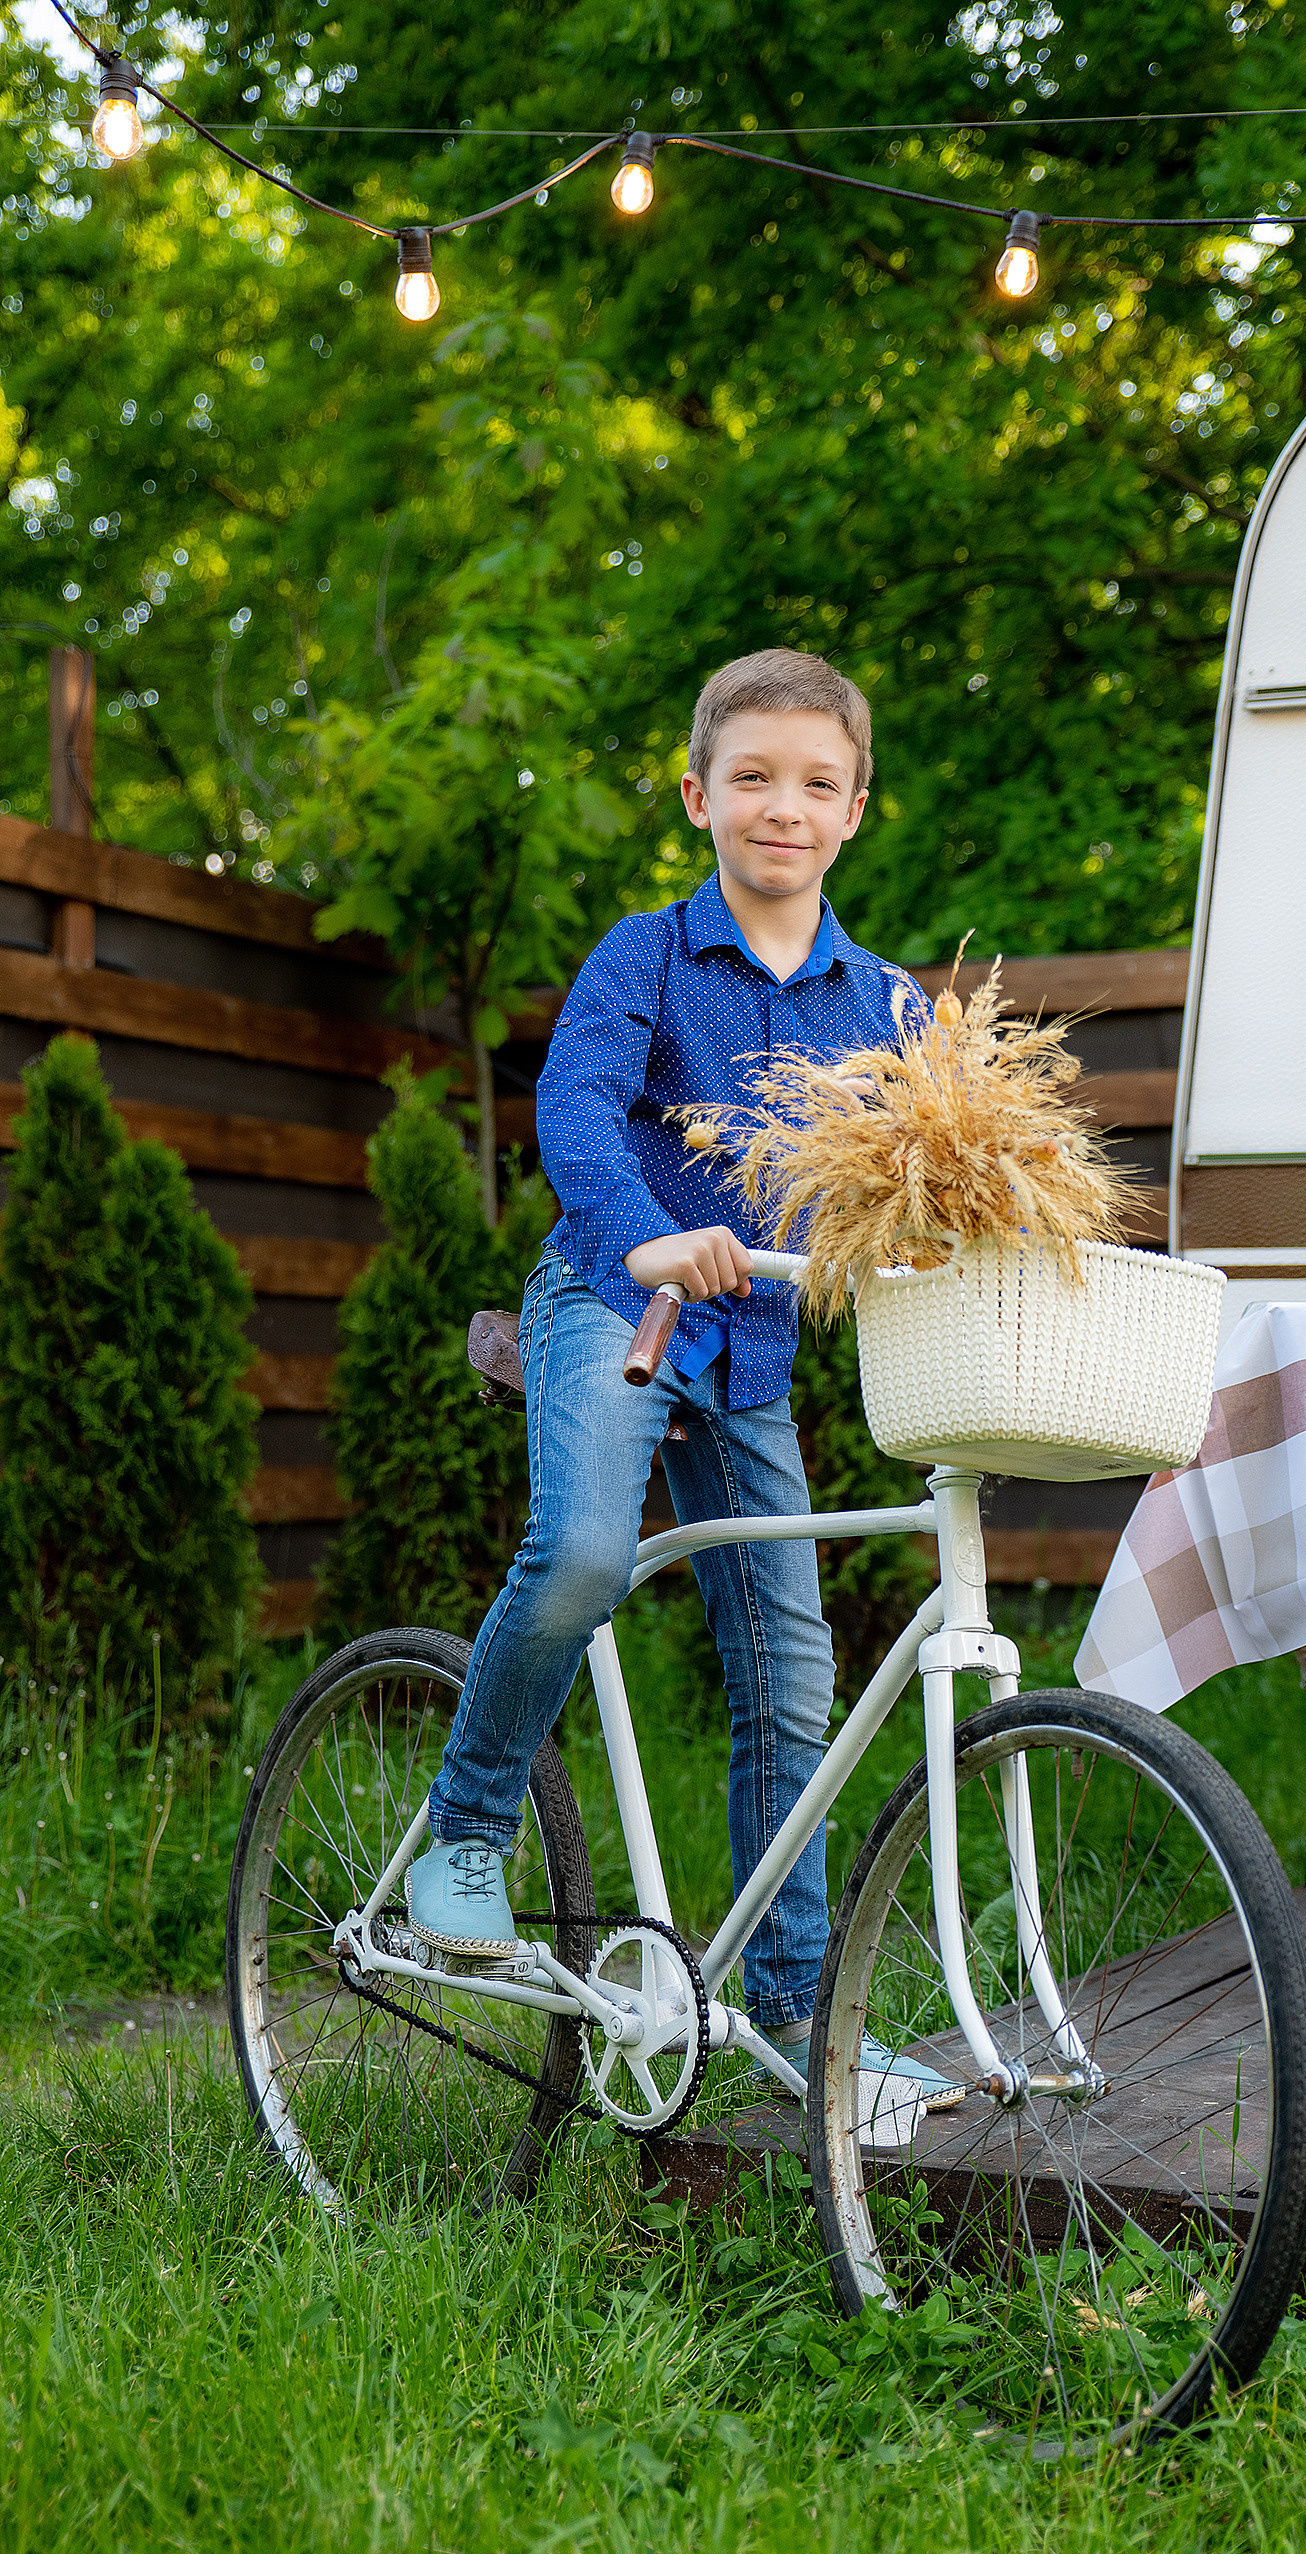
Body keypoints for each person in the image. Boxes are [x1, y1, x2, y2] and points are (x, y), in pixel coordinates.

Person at [407, 646, 952, 2097]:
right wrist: (646, 1240)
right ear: (700, 792)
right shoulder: (642, 957)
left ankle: (788, 2010)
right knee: (585, 1549)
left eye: (817, 784)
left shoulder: (893, 1011)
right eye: (755, 778)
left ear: (855, 811)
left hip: (752, 1350)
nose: (785, 807)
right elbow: (574, 1109)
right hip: (611, 1302)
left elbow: (957, 1177)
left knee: (791, 1682)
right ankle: (465, 1832)